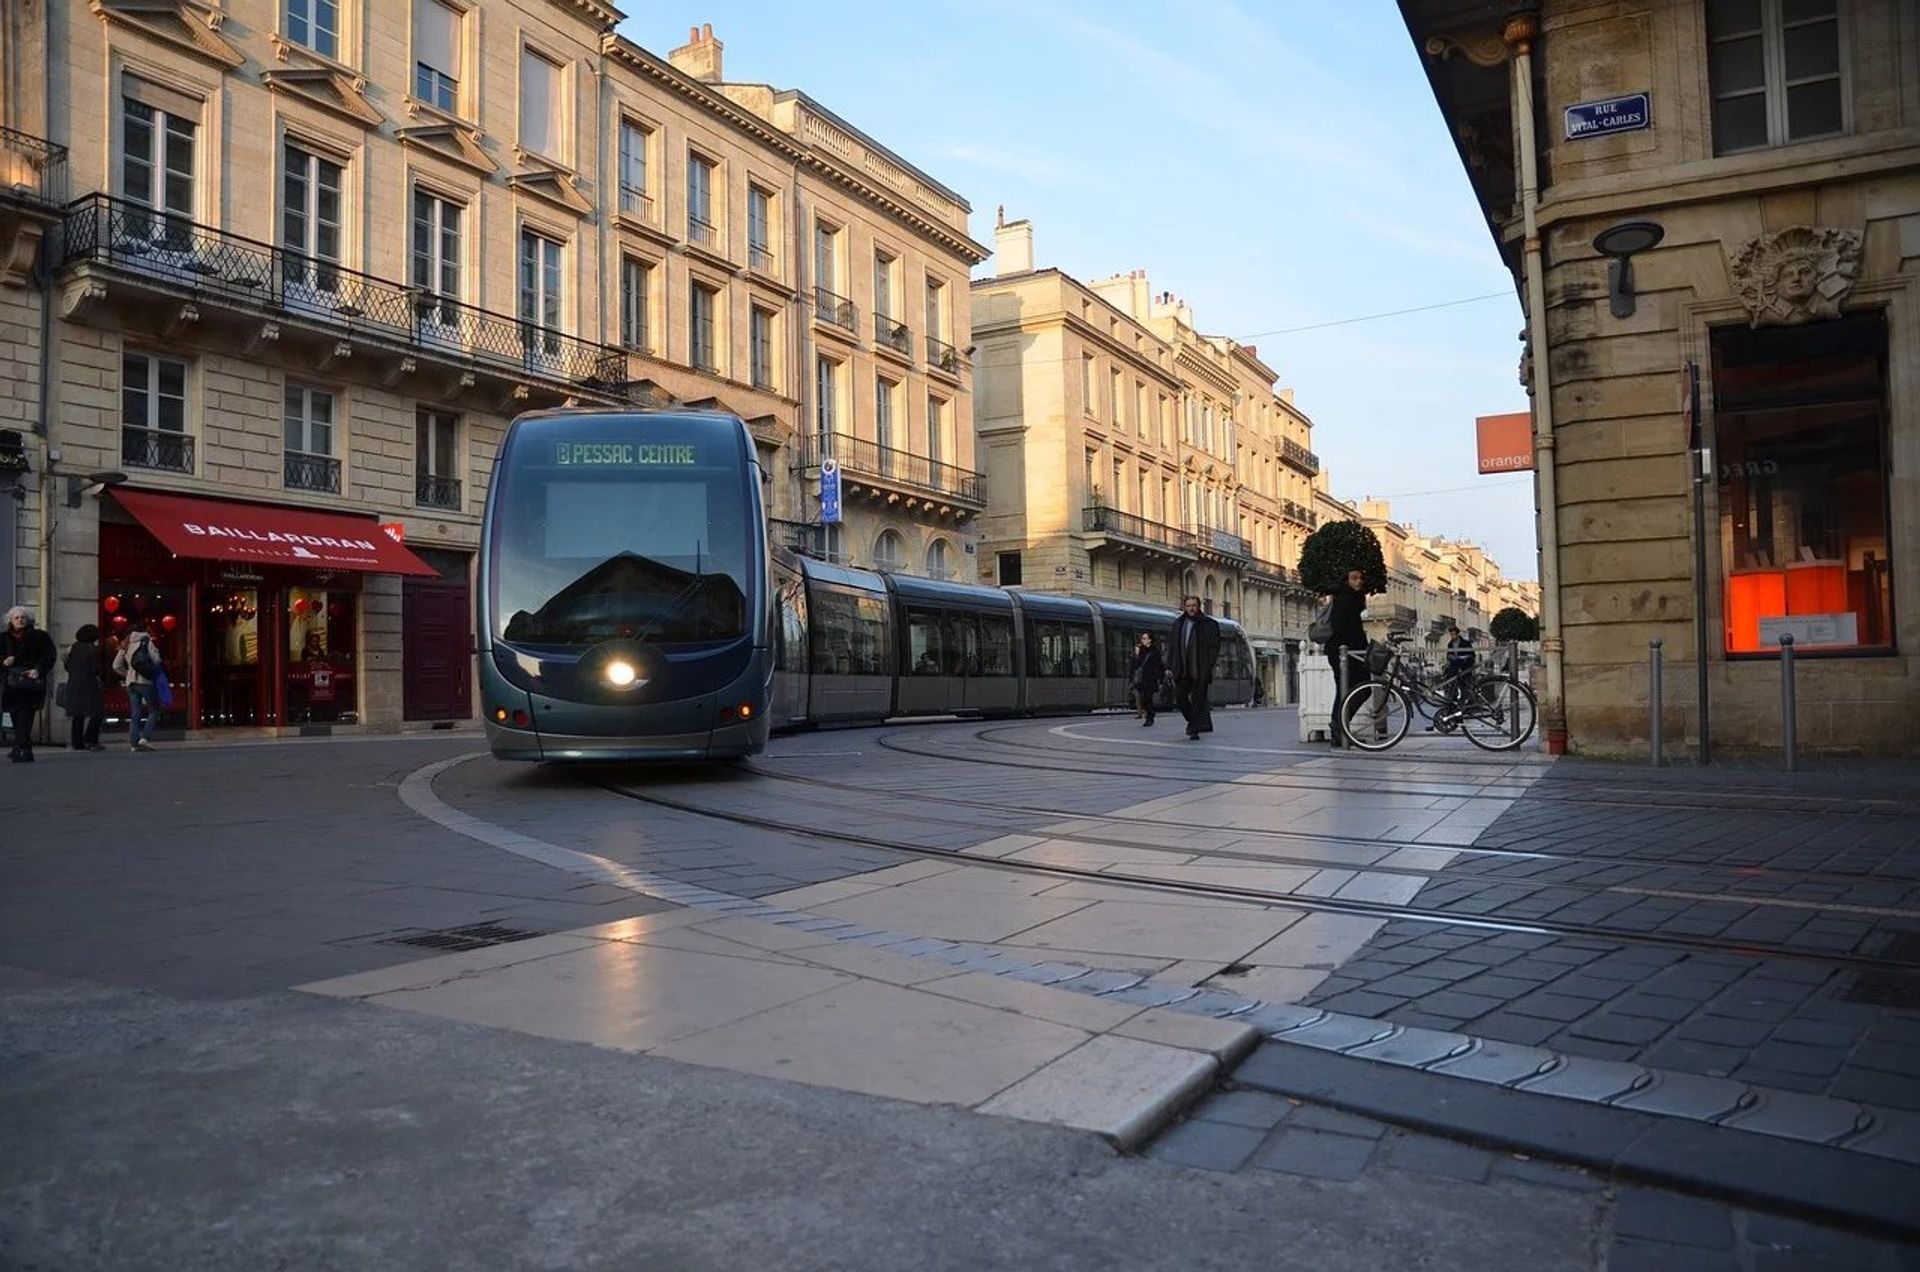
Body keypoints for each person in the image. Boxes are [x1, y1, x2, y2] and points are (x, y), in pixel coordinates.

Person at [1321, 568, 1370, 747]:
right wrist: (1362, 649)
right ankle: (1339, 728)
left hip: (1347, 653)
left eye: (1360, 578)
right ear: (1347, 581)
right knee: (1359, 690)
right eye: (1354, 578)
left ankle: (1340, 729)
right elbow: (1345, 630)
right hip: (1345, 653)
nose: (1359, 581)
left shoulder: (1349, 598)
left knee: (1346, 691)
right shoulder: (1345, 599)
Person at [2, 606, 58, 762]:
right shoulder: (3, 638)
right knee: (15, 716)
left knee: (26, 716)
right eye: (17, 618)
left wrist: (38, 670)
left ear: (28, 620)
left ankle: (24, 749)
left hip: (30, 683)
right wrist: (4, 662)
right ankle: (20, 746)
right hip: (10, 685)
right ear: (11, 621)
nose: (20, 620)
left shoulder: (39, 636)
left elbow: (49, 655)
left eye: (23, 617)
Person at [1166, 596, 1220, 741]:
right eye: (1188, 605)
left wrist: (1209, 663)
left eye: (1194, 605)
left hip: (1200, 669)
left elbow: (1214, 647)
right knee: (1180, 697)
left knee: (1198, 700)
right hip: (1182, 669)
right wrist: (1169, 666)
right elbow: (1172, 646)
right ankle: (1193, 722)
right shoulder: (1178, 623)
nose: (1191, 608)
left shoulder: (1209, 624)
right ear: (1184, 607)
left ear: (1199, 606)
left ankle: (1193, 729)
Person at [113, 617, 162, 752]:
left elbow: (116, 665)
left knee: (135, 713)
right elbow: (156, 660)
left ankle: (134, 743)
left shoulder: (126, 643)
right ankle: (144, 738)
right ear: (145, 630)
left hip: (131, 683)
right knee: (154, 710)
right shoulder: (147, 641)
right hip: (145, 681)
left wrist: (128, 673)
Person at [63, 624, 107, 752]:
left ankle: (77, 742)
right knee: (97, 713)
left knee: (78, 715)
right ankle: (91, 739)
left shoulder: (72, 648)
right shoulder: (93, 649)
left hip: (73, 684)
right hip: (89, 684)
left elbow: (67, 665)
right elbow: (96, 669)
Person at [1129, 632, 1165, 728]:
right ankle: (1148, 714)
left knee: (1148, 698)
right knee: (1143, 699)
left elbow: (1160, 666)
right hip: (1141, 680)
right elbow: (1135, 666)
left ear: (1150, 640)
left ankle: (1150, 717)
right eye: (1142, 639)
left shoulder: (1155, 652)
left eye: (1145, 638)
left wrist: (1160, 679)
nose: (1143, 640)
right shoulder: (1141, 652)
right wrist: (1136, 656)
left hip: (1150, 679)